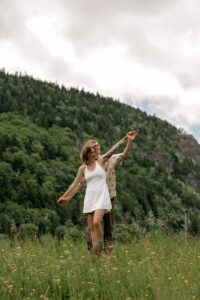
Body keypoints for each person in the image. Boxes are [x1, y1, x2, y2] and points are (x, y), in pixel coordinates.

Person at [57, 133, 134, 254]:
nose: (96, 148)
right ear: (88, 152)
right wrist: (66, 197)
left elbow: (119, 152)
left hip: (108, 196)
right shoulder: (84, 168)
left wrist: (127, 140)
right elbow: (76, 184)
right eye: (93, 147)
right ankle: (95, 252)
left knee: (104, 225)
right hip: (91, 197)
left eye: (97, 146)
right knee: (92, 227)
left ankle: (105, 250)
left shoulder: (107, 159)